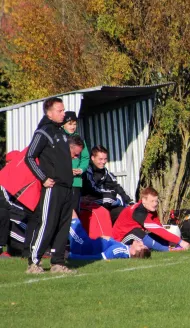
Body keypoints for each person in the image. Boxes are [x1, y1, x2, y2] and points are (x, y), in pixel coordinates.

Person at [25, 97, 83, 274]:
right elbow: (29, 157)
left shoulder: (62, 133)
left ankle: (58, 262)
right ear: (49, 113)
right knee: (48, 223)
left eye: (63, 110)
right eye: (60, 110)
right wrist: (43, 178)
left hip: (67, 187)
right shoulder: (43, 132)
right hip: (53, 186)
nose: (63, 113)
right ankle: (34, 262)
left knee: (63, 224)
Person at [112, 187, 190, 252]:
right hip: (120, 240)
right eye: (152, 201)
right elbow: (156, 229)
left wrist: (170, 241)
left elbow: (159, 227)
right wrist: (180, 241)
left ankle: (171, 246)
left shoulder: (151, 209)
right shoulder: (138, 212)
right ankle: (168, 250)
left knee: (153, 235)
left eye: (156, 201)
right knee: (137, 232)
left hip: (134, 237)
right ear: (144, 200)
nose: (155, 204)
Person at [82, 145, 134, 223]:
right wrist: (110, 193)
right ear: (92, 158)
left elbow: (116, 186)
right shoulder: (88, 170)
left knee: (123, 211)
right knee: (111, 199)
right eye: (100, 159)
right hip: (88, 203)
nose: (103, 162)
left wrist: (129, 201)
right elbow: (92, 189)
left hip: (102, 201)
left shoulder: (105, 171)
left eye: (105, 159)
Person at [68, 217, 150, 260]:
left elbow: (98, 258)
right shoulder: (125, 248)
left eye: (140, 246)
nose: (141, 243)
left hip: (82, 244)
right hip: (88, 242)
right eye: (143, 245)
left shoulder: (120, 251)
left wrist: (71, 256)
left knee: (70, 214)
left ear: (133, 252)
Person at [62, 111, 90, 216]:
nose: (73, 127)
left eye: (74, 124)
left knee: (74, 210)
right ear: (63, 124)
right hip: (61, 180)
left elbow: (85, 157)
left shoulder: (79, 139)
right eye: (70, 124)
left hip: (76, 181)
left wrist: (81, 169)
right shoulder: (58, 137)